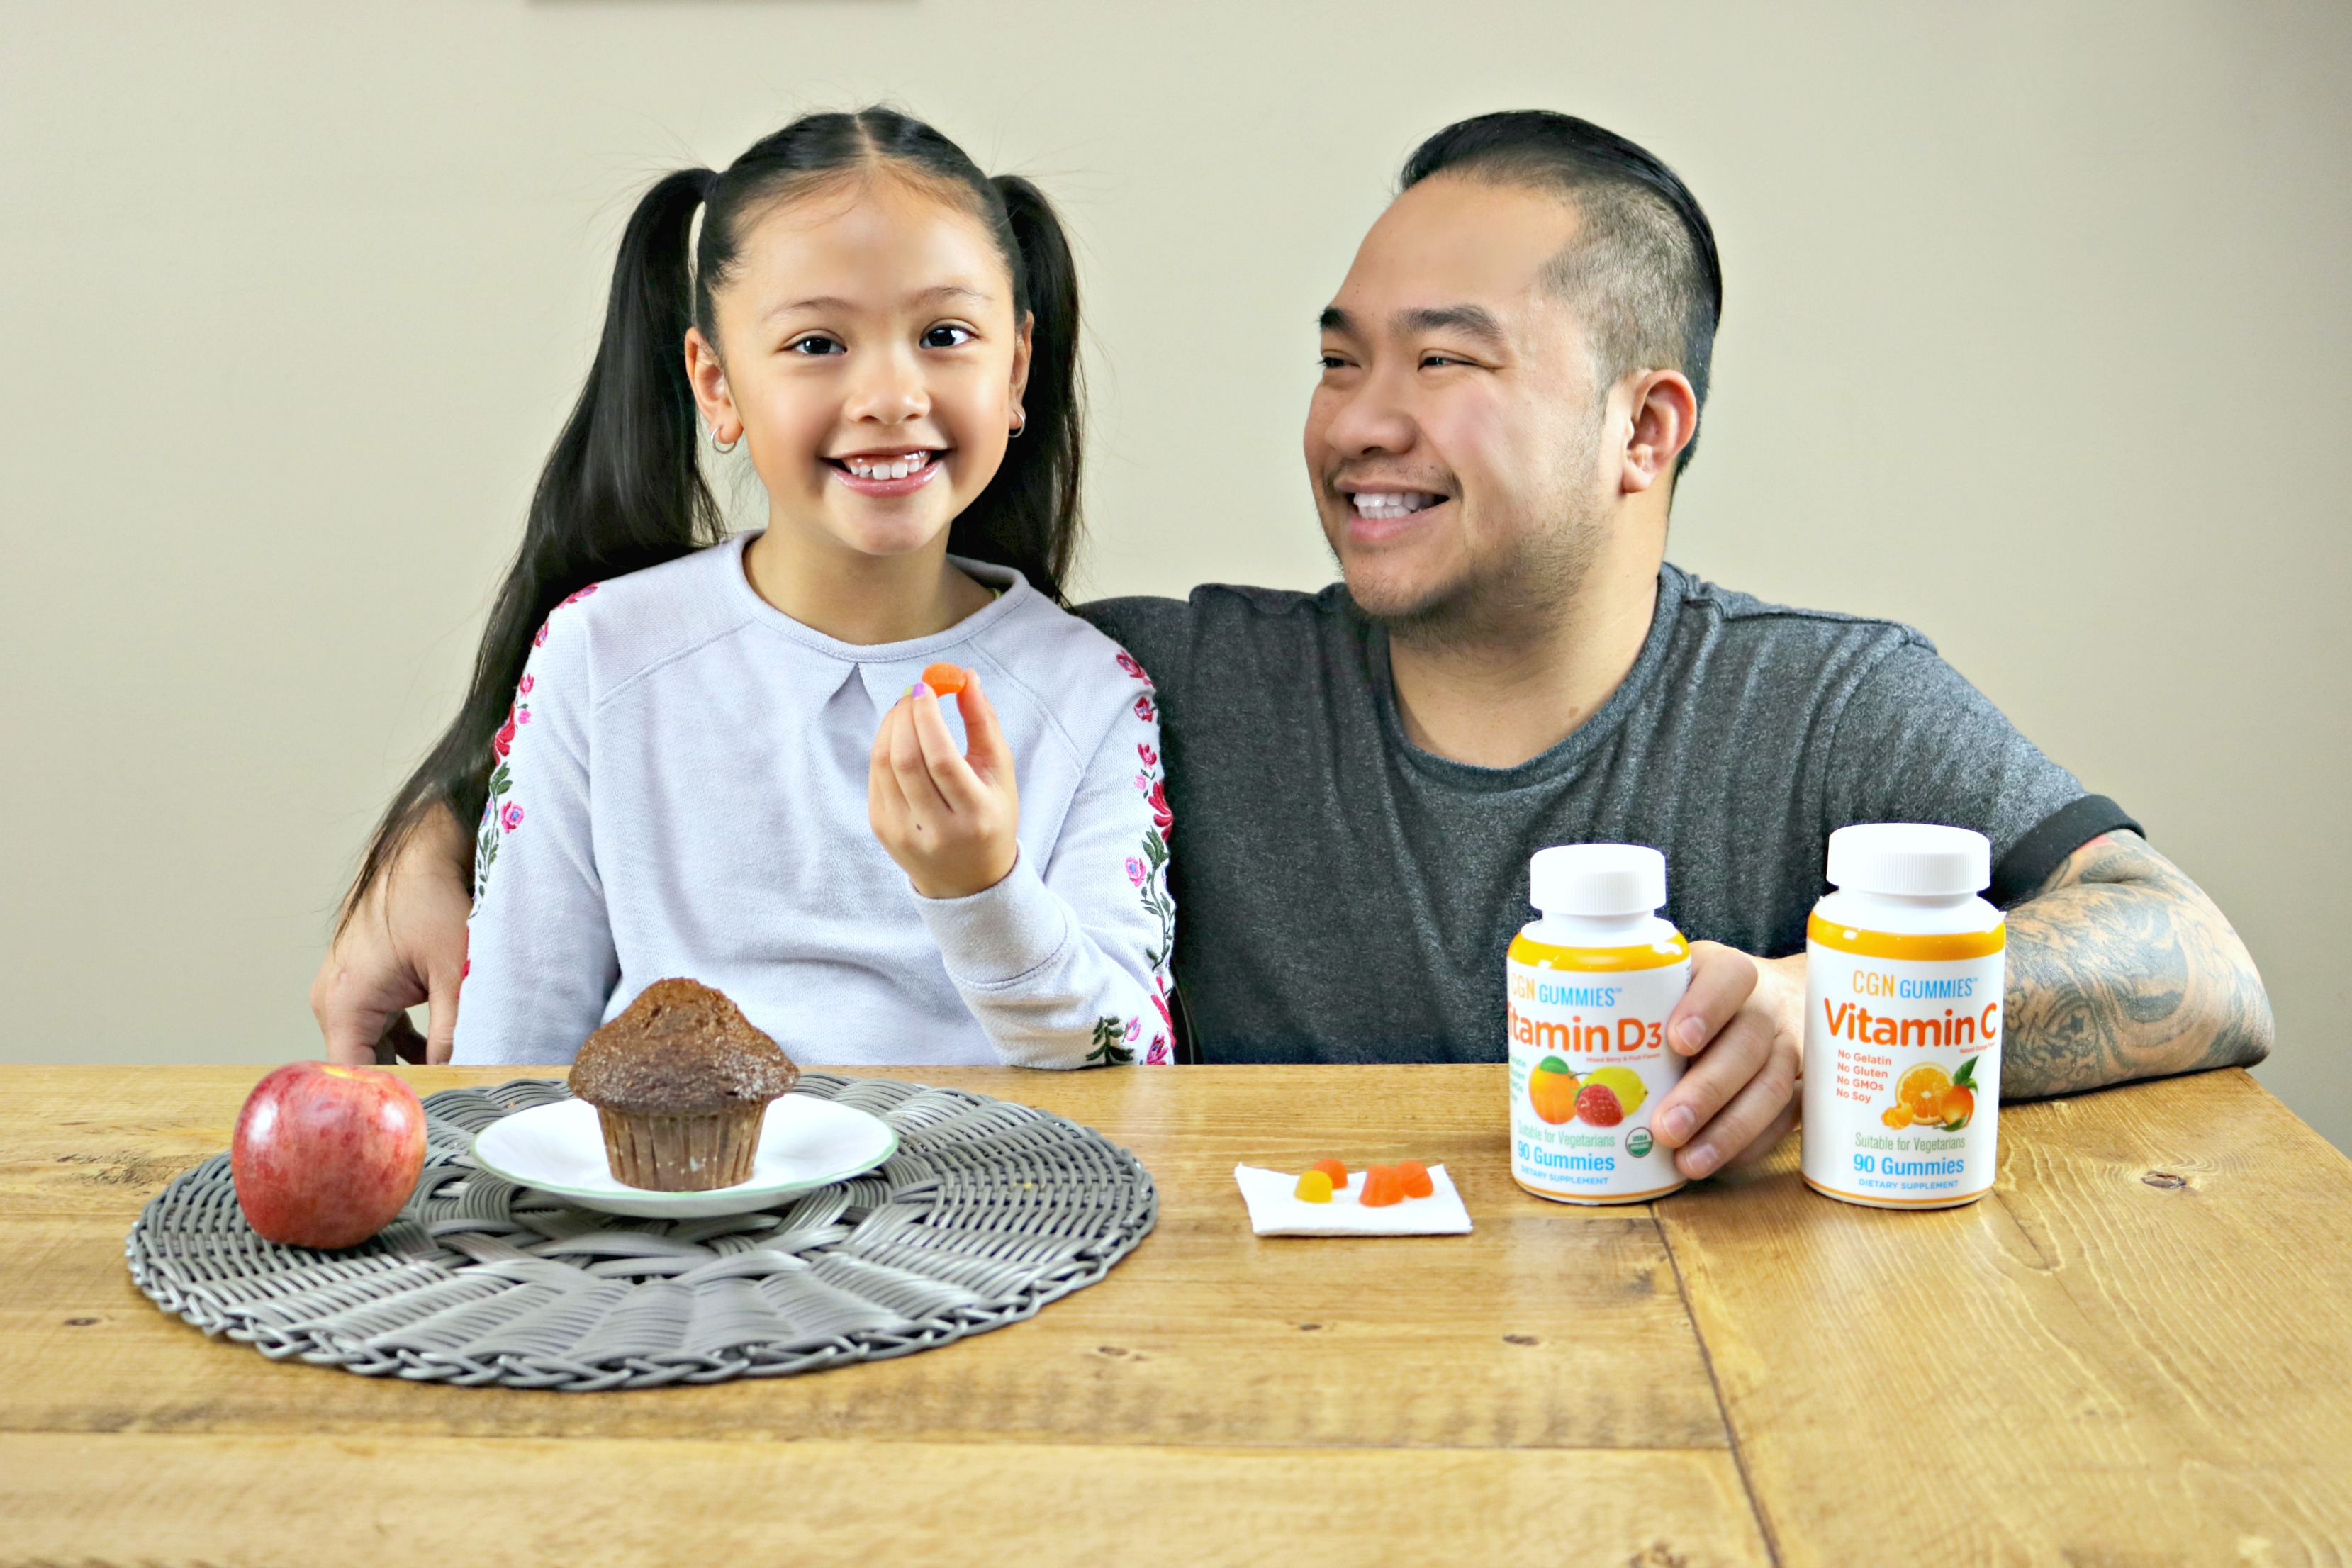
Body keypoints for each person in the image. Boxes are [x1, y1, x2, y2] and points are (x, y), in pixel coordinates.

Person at [317, 110, 2270, 1181]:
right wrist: (441, 818)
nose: (1357, 418)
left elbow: (2195, 959)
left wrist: (1831, 1005)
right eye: (1339, 357)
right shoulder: (1185, 681)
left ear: (1641, 428)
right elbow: (769, 649)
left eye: (1445, 362)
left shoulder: (1820, 700)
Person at [346, 108, 1177, 1071]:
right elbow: (510, 1054)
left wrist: (980, 891)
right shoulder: (600, 652)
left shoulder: (1091, 692)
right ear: (716, 385)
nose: (891, 396)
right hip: (658, 1211)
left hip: (992, 1213)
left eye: (945, 334)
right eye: (817, 345)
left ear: (1017, 368)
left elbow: (1128, 1070)